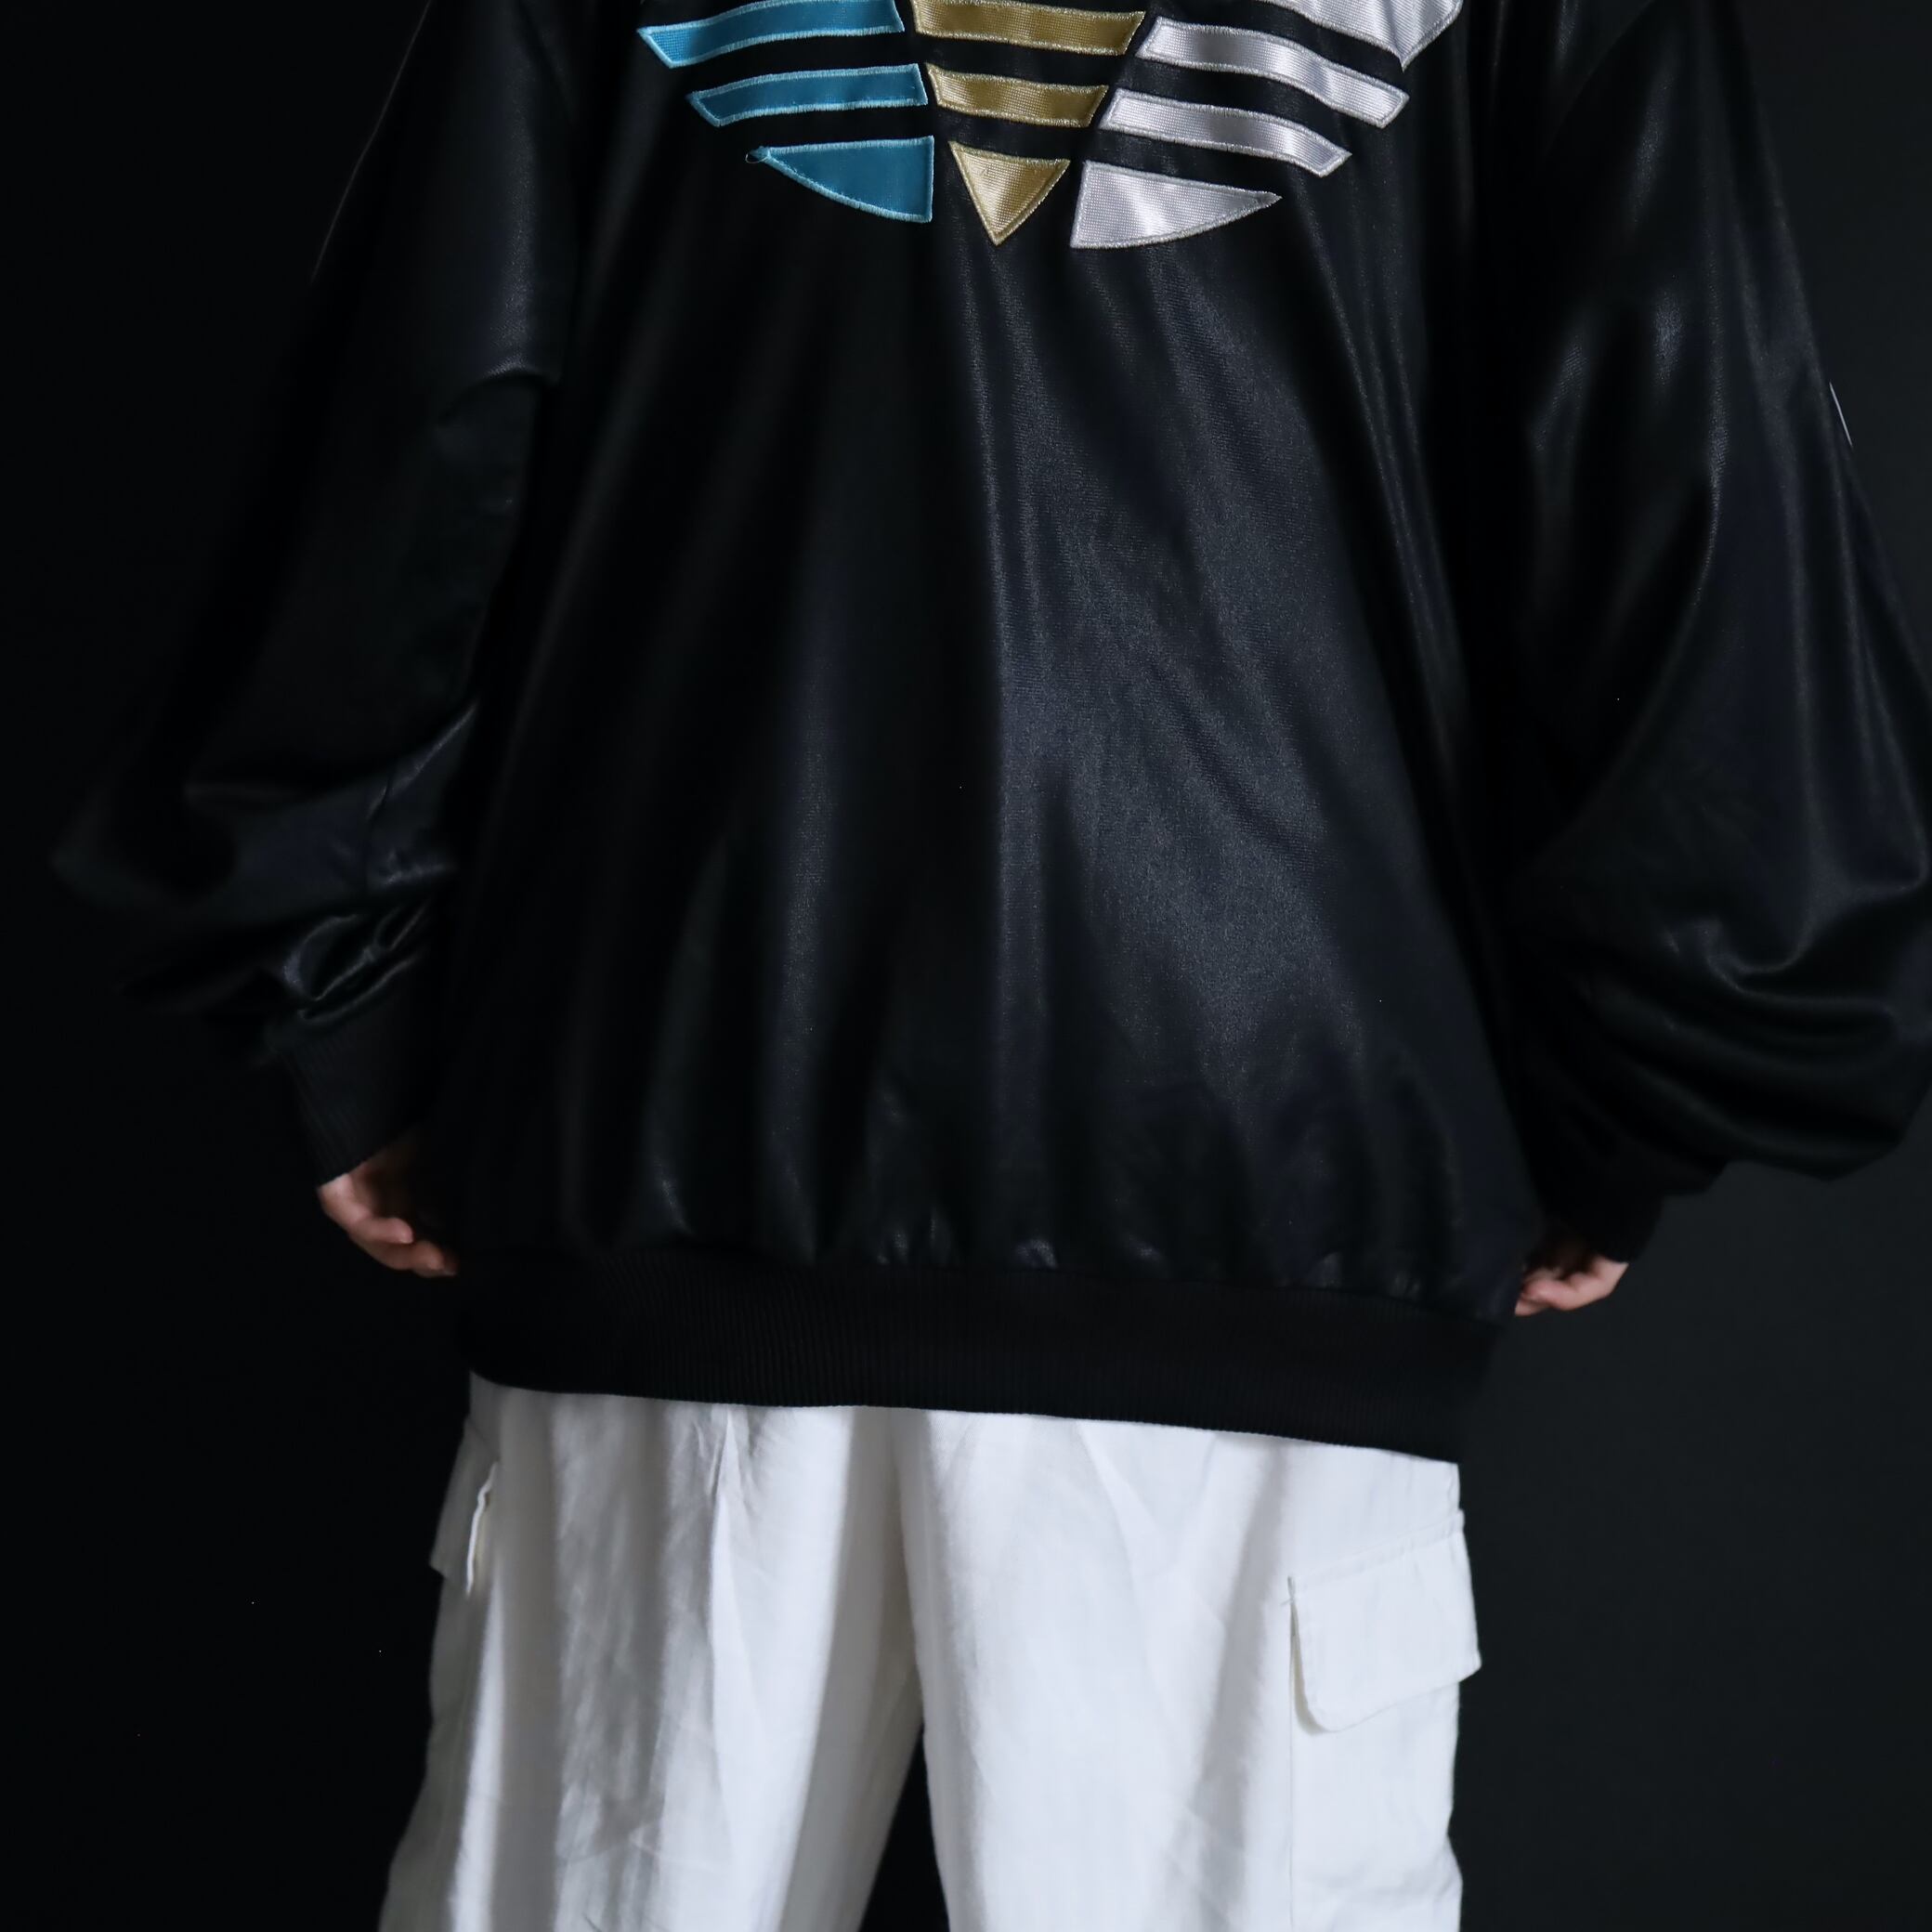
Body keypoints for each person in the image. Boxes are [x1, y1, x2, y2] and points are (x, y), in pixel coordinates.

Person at [47, 0, 1932, 1926]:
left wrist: (344, 996)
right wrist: (1652, 1078)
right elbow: (1690, 481)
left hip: (678, 1120)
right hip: (1267, 1173)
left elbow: (420, 423)